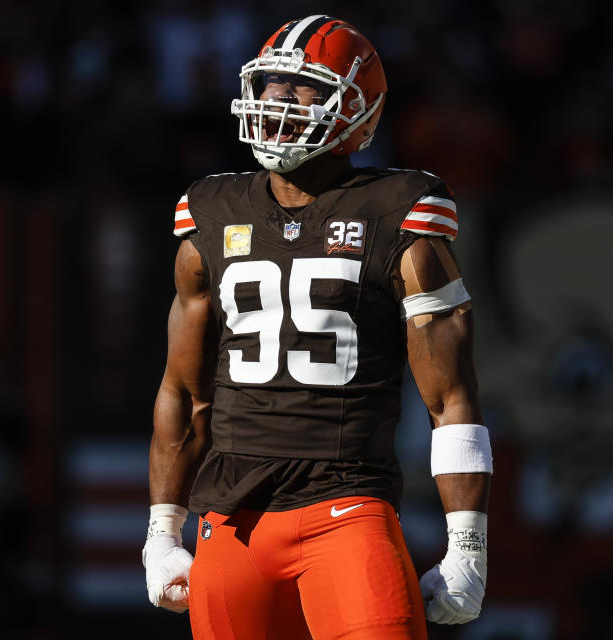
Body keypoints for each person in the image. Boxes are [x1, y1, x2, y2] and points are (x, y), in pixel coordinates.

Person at [143, 15, 493, 639]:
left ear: (358, 112)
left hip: (348, 511)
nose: (279, 98)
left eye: (304, 86)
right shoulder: (211, 213)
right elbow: (183, 391)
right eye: (272, 83)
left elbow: (449, 397)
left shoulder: (399, 211)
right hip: (230, 523)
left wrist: (467, 543)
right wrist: (161, 528)